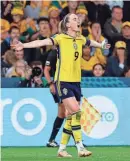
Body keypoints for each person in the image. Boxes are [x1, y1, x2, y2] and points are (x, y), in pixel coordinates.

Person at [12, 13, 110, 157]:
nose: (78, 21)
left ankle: (62, 149)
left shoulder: (80, 38)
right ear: (68, 24)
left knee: (71, 116)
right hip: (63, 81)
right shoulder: (61, 38)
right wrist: (23, 45)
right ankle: (80, 147)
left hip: (76, 82)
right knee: (76, 111)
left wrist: (100, 45)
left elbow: (90, 43)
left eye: (78, 18)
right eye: (75, 19)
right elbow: (42, 42)